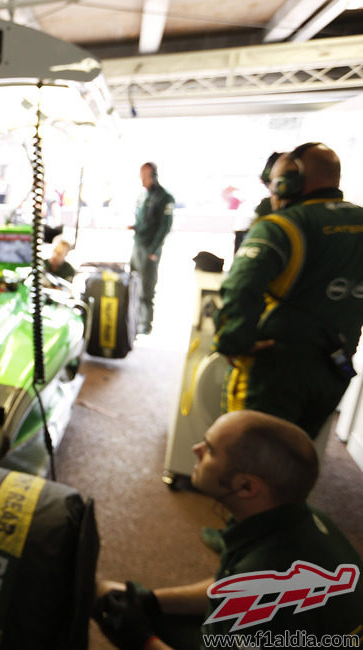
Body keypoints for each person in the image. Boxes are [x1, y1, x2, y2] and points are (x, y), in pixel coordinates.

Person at [94, 410, 363, 650]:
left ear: (246, 487)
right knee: (115, 597)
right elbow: (229, 588)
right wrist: (151, 600)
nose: (195, 449)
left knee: (112, 612)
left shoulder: (264, 584)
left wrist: (141, 640)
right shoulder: (301, 518)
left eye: (209, 450)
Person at [215, 143, 363, 440]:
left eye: (276, 181)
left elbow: (241, 288)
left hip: (276, 369)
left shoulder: (282, 226)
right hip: (336, 367)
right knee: (293, 459)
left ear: (291, 181)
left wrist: (234, 341)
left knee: (246, 455)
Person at [129, 161, 174, 335]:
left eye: (145, 177)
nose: (142, 180)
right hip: (137, 244)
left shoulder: (164, 197)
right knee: (133, 283)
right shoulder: (144, 195)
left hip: (149, 249)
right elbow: (144, 220)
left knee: (147, 287)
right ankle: (134, 319)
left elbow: (164, 227)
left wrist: (154, 250)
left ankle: (145, 324)